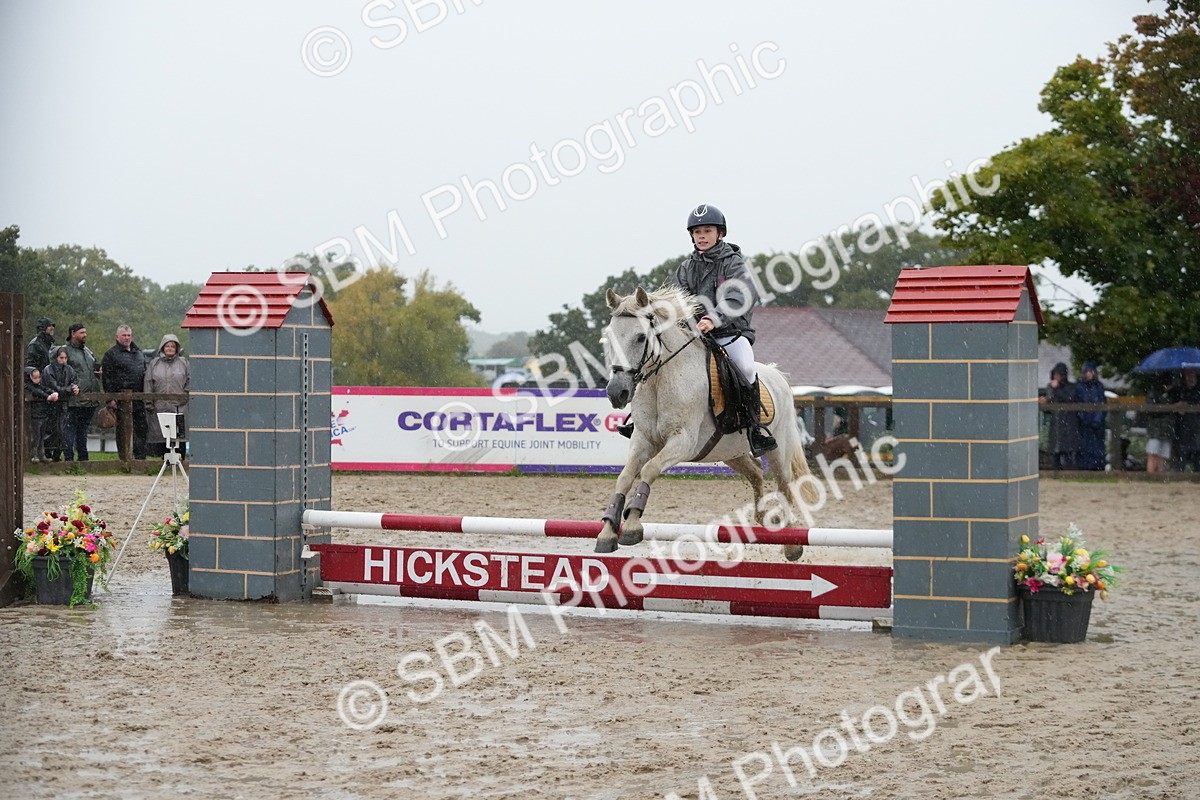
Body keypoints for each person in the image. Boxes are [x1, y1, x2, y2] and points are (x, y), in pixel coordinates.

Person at [101, 324, 149, 459]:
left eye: (129, 335)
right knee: (123, 429)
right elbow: (106, 378)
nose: (127, 338)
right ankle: (124, 458)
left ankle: (140, 458)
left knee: (141, 427)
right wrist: (110, 398)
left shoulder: (139, 353)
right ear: (117, 337)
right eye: (124, 335)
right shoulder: (110, 355)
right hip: (120, 399)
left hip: (138, 397)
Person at [144, 334, 190, 458]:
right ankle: (163, 462)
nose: (170, 348)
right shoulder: (154, 364)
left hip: (179, 407)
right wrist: (149, 402)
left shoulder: (184, 363)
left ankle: (179, 461)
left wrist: (185, 396)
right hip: (159, 407)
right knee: (161, 436)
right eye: (167, 346)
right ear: (162, 347)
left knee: (178, 436)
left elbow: (190, 381)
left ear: (177, 348)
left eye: (172, 346)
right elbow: (148, 383)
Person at [61, 323, 102, 461]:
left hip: (89, 398)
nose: (85, 335)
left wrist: (98, 372)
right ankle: (69, 459)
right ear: (73, 333)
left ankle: (83, 458)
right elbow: (61, 372)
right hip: (73, 398)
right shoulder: (64, 351)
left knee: (83, 430)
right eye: (82, 332)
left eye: (85, 332)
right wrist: (69, 388)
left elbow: (93, 368)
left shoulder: (87, 351)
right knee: (70, 429)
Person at [42, 346, 79, 462]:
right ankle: (48, 454)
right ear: (55, 357)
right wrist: (69, 390)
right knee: (50, 430)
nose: (64, 360)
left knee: (62, 431)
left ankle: (57, 455)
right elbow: (54, 387)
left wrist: (75, 388)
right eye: (61, 358)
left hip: (63, 405)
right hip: (50, 405)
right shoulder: (48, 369)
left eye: (65, 358)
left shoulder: (69, 369)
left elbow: (75, 381)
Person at [1040, 362, 1080, 469]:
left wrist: (1056, 390)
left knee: (1068, 454)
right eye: (1055, 374)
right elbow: (1049, 404)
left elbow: (1069, 398)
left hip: (1068, 425)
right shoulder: (1050, 387)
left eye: (1058, 374)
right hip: (1056, 425)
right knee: (1055, 455)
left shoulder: (1071, 387)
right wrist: (1044, 403)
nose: (1056, 377)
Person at [1075, 361, 1107, 470]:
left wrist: (1097, 420)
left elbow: (1102, 404)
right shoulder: (1079, 386)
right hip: (1084, 424)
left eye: (1090, 371)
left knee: (1098, 447)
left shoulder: (1099, 386)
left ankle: (1098, 467)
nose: (1088, 374)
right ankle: (1085, 468)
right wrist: (1083, 419)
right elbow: (1077, 404)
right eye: (1086, 371)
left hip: (1097, 425)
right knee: (1085, 447)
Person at [24, 367, 59, 463]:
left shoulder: (39, 385)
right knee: (36, 437)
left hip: (42, 414)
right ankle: (34, 455)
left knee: (41, 436)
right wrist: (48, 397)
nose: (37, 380)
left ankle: (41, 455)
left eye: (38, 377)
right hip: (35, 415)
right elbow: (37, 392)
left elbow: (44, 389)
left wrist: (53, 393)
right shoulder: (28, 386)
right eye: (35, 378)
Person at [1145, 372, 1178, 474]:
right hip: (1156, 429)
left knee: (1163, 455)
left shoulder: (1173, 394)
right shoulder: (1154, 393)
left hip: (1167, 429)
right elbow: (1152, 411)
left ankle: (1161, 476)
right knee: (1153, 453)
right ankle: (1150, 475)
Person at [1177, 367, 1200, 472]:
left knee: (1197, 450)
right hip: (1184, 424)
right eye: (1187, 374)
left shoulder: (1198, 389)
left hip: (1197, 423)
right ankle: (1180, 473)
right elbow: (1177, 405)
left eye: (1191, 374)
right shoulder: (1181, 389)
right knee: (1183, 450)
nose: (1190, 377)